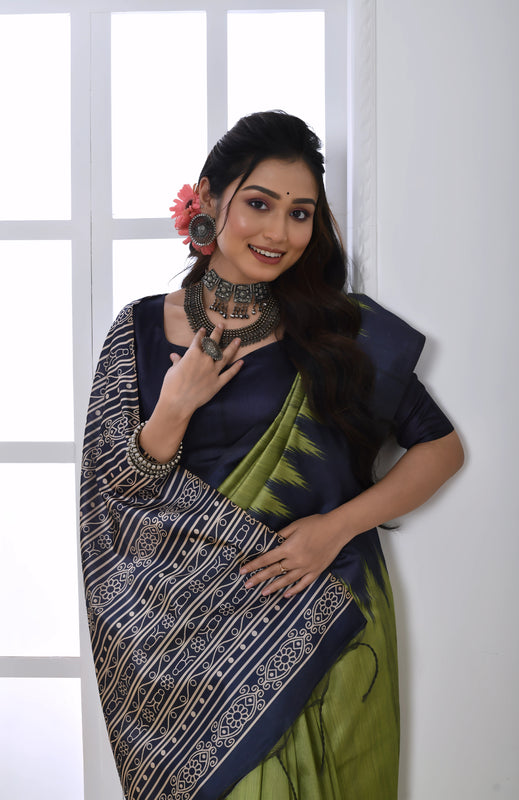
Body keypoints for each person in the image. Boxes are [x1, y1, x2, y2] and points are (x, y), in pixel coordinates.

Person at [80, 110, 463, 800]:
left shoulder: (340, 331)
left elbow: (440, 449)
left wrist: (333, 529)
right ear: (206, 199)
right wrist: (175, 404)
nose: (279, 232)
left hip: (328, 619)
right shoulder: (137, 329)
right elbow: (113, 500)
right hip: (187, 656)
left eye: (299, 213)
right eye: (259, 204)